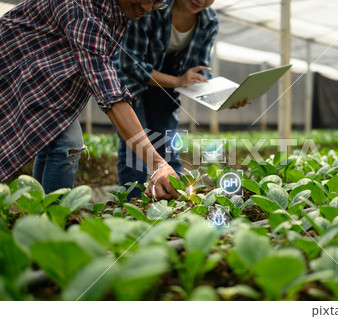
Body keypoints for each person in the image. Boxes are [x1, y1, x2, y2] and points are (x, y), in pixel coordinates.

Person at [0, 0, 179, 200]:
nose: (146, 9)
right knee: (68, 142)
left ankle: (43, 215)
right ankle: (53, 222)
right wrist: (157, 164)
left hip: (41, 79)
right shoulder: (82, 10)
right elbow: (110, 93)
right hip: (11, 69)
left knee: (55, 135)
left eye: (155, 3)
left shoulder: (114, 12)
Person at [114, 0, 247, 198]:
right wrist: (178, 80)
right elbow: (130, 63)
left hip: (169, 85)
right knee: (136, 147)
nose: (201, 1)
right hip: (133, 82)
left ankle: (172, 201)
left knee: (167, 144)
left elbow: (198, 68)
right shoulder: (152, 7)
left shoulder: (208, 20)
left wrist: (227, 95)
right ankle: (133, 205)